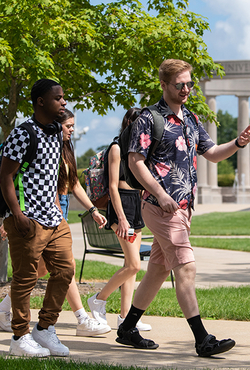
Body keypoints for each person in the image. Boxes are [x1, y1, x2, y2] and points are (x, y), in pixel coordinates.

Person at [115, 59, 250, 356]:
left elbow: (212, 153)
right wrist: (160, 194)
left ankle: (127, 328)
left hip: (183, 208)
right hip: (160, 207)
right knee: (186, 267)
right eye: (180, 85)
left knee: (158, 270)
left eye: (189, 83)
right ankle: (203, 339)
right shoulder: (149, 119)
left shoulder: (190, 118)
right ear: (164, 85)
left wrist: (238, 143)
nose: (187, 89)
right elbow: (135, 161)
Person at [0, 108, 111, 337]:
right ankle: (78, 319)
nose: (72, 130)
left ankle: (7, 310)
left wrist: (92, 210)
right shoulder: (37, 144)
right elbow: (16, 180)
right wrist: (13, 215)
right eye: (68, 125)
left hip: (57, 209)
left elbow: (73, 184)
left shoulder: (65, 148)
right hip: (41, 211)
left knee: (52, 267)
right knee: (54, 266)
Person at [0, 79, 75, 357]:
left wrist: (56, 205)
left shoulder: (57, 132)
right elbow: (5, 176)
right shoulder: (23, 134)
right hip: (27, 218)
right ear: (41, 101)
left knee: (65, 270)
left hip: (53, 216)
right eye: (58, 98)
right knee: (25, 278)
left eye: (63, 97)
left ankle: (44, 329)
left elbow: (50, 174)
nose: (64, 102)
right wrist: (17, 215)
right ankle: (19, 336)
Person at [87, 108, 152, 331]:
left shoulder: (139, 149)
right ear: (131, 124)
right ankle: (99, 299)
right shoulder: (116, 148)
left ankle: (125, 318)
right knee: (134, 265)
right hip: (121, 205)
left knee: (129, 263)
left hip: (136, 203)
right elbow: (113, 187)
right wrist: (122, 219)